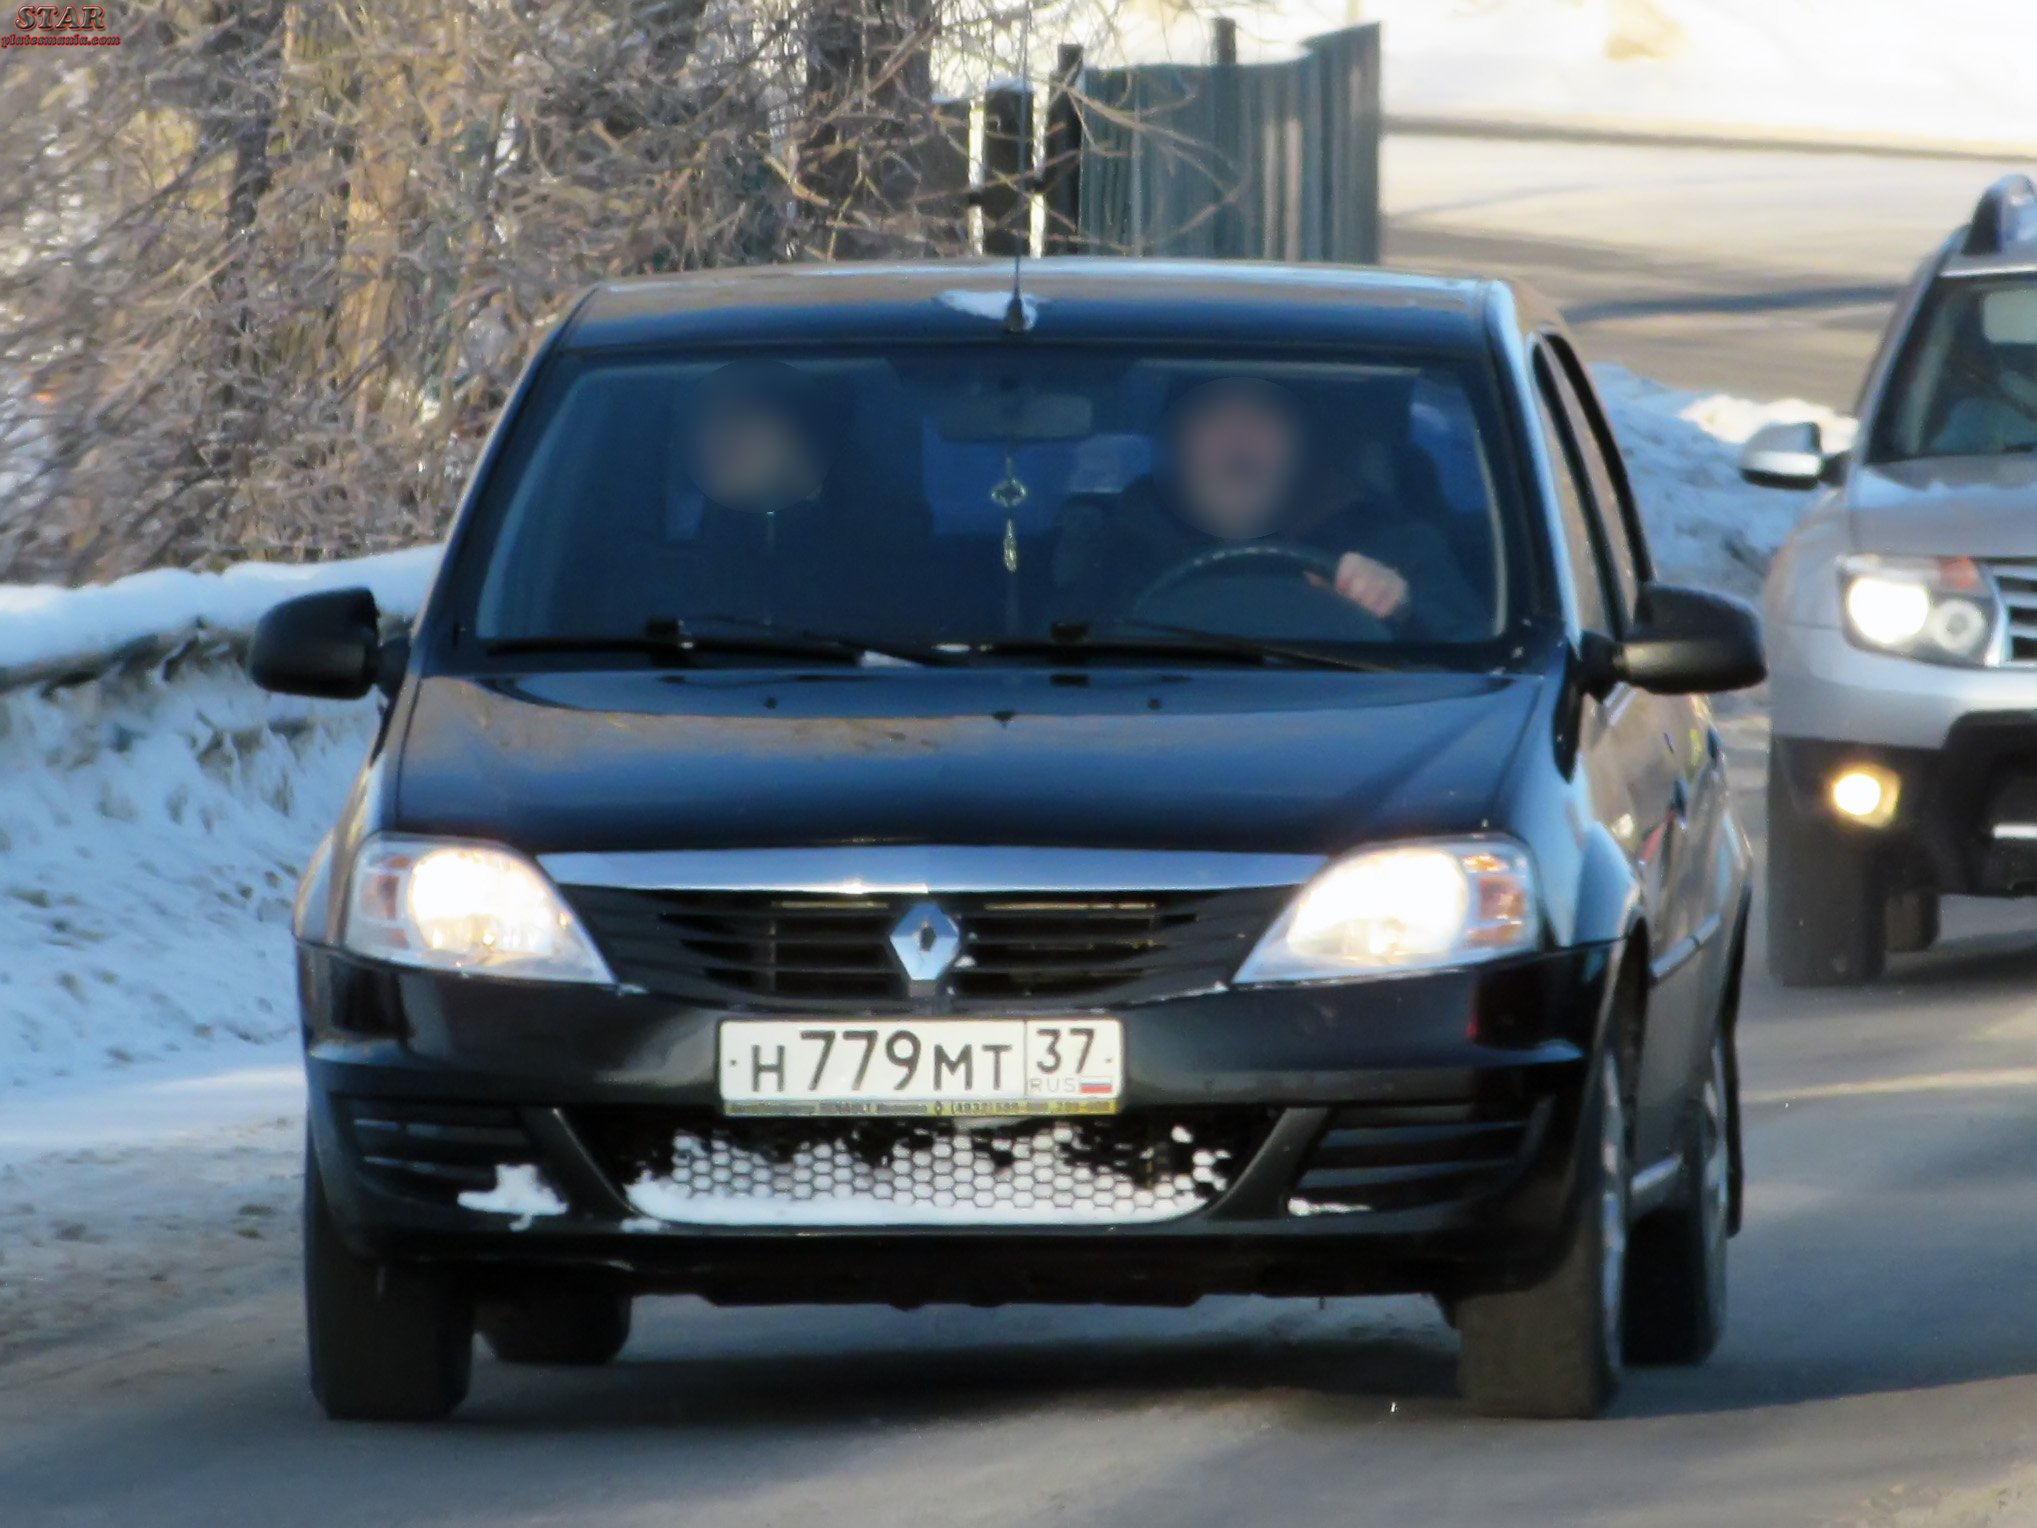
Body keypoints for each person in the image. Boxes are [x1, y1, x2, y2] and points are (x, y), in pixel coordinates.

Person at [1053, 375, 1485, 640]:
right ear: (1177, 443)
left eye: (1265, 417)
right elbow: (1064, 668)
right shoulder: (1124, 547)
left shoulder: (1397, 545)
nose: (1238, 441)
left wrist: (1405, 610)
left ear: (1306, 445)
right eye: (1211, 418)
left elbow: (1486, 673)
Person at [663, 359, 929, 631]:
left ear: (802, 426)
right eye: (705, 417)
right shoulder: (708, 527)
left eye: (741, 416)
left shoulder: (887, 530)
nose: (713, 435)